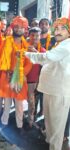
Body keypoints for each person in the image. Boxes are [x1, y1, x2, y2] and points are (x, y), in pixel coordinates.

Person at [25, 17, 70, 150]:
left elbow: (47, 57)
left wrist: (26, 54)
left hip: (59, 92)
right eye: (56, 28)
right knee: (50, 124)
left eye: (63, 29)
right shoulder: (60, 44)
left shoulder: (67, 45)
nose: (58, 31)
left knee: (56, 129)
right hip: (50, 90)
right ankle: (50, 144)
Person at [0, 16, 32, 131]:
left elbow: (29, 63)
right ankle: (4, 123)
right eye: (16, 27)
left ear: (25, 29)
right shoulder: (6, 41)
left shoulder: (26, 46)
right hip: (6, 77)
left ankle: (19, 125)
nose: (18, 29)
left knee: (19, 105)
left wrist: (21, 74)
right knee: (6, 104)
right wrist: (8, 71)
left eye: (21, 27)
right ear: (13, 27)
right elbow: (0, 59)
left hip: (20, 78)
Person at [26, 27, 45, 128]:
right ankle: (20, 120)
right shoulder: (24, 47)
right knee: (22, 103)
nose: (34, 37)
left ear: (40, 36)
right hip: (23, 80)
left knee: (32, 104)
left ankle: (30, 122)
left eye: (37, 35)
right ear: (29, 36)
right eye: (32, 35)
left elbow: (46, 63)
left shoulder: (42, 50)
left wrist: (36, 52)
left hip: (35, 82)